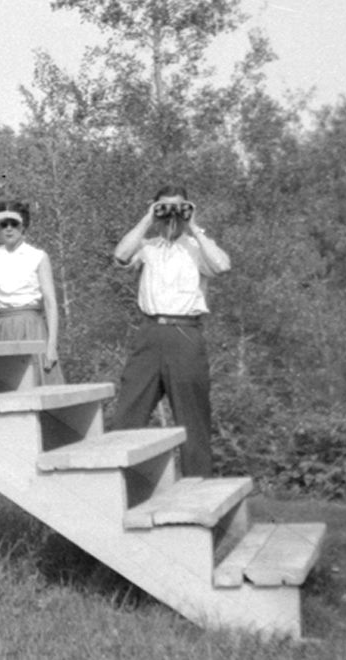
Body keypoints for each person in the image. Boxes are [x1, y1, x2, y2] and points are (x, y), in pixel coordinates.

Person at [107, 186, 232, 478]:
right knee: (128, 413)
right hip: (150, 333)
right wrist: (147, 218)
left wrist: (194, 226)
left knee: (193, 420)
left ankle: (197, 492)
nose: (171, 215)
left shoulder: (196, 247)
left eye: (178, 207)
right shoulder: (147, 246)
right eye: (165, 208)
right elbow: (121, 255)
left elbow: (223, 265)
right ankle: (121, 489)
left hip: (185, 334)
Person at [0, 200, 63, 384]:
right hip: (2, 327)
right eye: (3, 224)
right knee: (3, 386)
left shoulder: (37, 257)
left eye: (14, 224)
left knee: (35, 383)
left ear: (23, 227)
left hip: (30, 327)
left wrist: (51, 345)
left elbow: (50, 302)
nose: (9, 229)